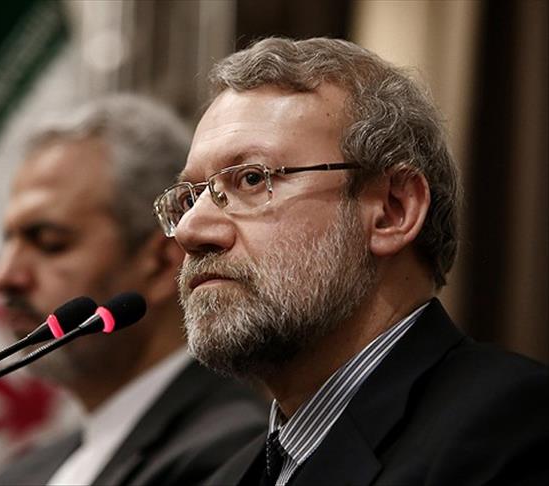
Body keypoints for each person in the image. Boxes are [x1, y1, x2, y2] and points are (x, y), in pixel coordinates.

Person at [153, 37, 549, 485]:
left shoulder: (515, 432)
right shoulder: (228, 477)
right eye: (191, 197)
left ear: (393, 211)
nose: (190, 231)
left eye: (250, 179)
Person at [0, 94, 266, 485]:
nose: (4, 276)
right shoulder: (19, 474)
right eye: (9, 241)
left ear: (163, 263)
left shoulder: (229, 451)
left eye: (49, 241)